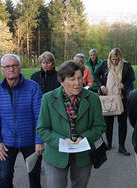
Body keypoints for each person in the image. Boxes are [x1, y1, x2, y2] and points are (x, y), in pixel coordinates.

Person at [37, 60, 105, 188]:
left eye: (80, 78)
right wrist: (61, 140)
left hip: (83, 155)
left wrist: (84, 137)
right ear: (62, 81)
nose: (77, 83)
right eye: (72, 79)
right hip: (56, 155)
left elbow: (100, 126)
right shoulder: (48, 98)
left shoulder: (93, 98)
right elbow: (42, 129)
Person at [0, 54, 44, 188]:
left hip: (31, 141)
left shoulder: (33, 87)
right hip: (6, 142)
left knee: (34, 176)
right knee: (4, 177)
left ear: (20, 67)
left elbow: (39, 116)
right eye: (7, 66)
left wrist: (39, 140)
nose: (11, 69)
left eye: (14, 66)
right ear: (2, 70)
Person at [94, 48, 132, 155]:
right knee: (108, 123)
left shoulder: (126, 66)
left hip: (121, 98)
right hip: (107, 98)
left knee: (122, 123)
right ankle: (109, 143)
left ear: (120, 58)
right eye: (113, 59)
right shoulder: (104, 64)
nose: (114, 62)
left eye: (117, 60)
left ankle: (122, 146)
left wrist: (124, 85)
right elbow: (96, 74)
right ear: (110, 58)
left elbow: (130, 79)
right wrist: (101, 85)